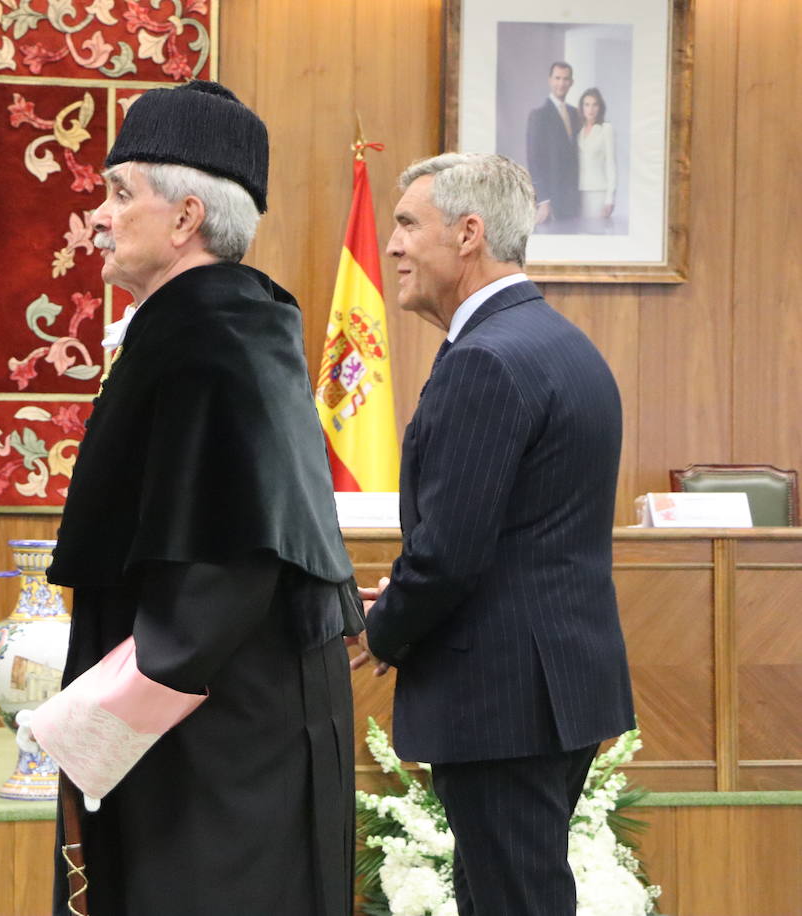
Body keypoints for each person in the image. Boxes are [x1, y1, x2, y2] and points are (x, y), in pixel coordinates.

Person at [42, 80, 362, 916]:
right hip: (213, 736)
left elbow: (216, 581)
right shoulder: (218, 325)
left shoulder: (206, 341)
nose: (97, 216)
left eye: (119, 193)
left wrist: (84, 729)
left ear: (186, 217)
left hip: (216, 756)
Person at [352, 152, 635, 916]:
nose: (394, 245)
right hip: (546, 688)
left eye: (410, 223)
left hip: (503, 699)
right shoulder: (558, 343)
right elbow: (519, 534)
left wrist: (384, 629)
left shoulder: (486, 358)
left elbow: (448, 555)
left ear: (469, 233)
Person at [525, 61, 580, 230]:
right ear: (550, 80)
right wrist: (544, 200)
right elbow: (533, 159)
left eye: (565, 79)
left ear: (571, 82)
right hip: (550, 202)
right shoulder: (538, 115)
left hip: (573, 200)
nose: (561, 83)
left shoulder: (575, 113)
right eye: (557, 78)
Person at [576, 88, 616, 227]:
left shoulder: (606, 129)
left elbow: (611, 164)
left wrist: (609, 199)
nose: (590, 109)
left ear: (600, 107)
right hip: (578, 192)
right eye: (587, 104)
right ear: (582, 107)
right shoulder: (578, 131)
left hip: (598, 191)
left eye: (595, 104)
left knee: (596, 231)